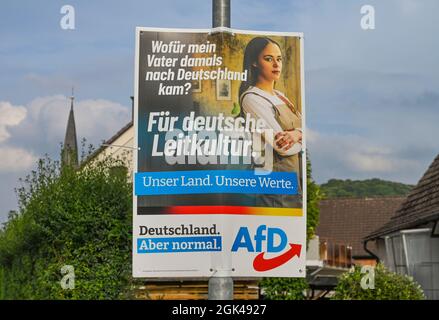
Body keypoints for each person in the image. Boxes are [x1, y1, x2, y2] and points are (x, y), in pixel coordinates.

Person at [239, 36, 303, 207]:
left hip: (294, 181)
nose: (276, 64)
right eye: (269, 59)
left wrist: (297, 134)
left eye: (279, 59)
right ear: (254, 63)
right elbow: (282, 147)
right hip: (276, 186)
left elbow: (303, 130)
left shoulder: (281, 96)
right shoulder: (252, 99)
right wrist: (300, 136)